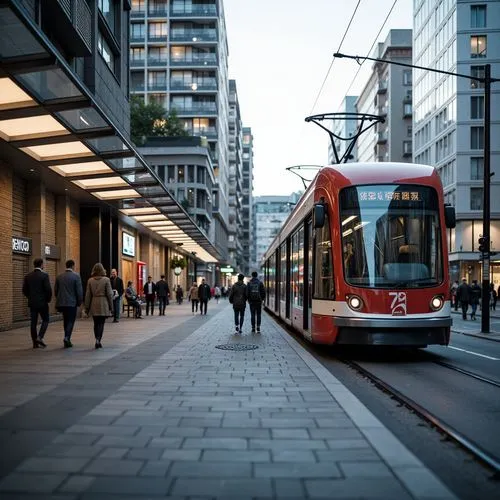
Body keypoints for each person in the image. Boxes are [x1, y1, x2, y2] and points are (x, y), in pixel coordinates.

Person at [22, 257, 52, 348]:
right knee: (46, 320)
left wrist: (30, 297)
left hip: (32, 303)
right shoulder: (44, 275)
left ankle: (35, 343)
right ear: (42, 265)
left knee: (33, 323)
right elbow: (48, 290)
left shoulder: (28, 276)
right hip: (42, 303)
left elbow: (24, 290)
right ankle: (40, 337)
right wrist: (47, 299)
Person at [84, 263, 113, 349]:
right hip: (103, 303)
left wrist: (87, 307)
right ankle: (98, 340)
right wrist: (111, 307)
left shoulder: (90, 280)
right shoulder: (106, 280)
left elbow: (88, 295)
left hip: (94, 302)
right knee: (101, 323)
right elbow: (110, 294)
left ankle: (96, 338)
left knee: (95, 323)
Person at [55, 259, 83, 348]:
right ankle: (67, 337)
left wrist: (59, 299)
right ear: (72, 266)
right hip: (72, 303)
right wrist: (79, 302)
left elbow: (56, 290)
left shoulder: (59, 276)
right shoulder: (76, 276)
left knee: (65, 320)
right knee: (71, 321)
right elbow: (79, 291)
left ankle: (67, 338)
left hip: (62, 303)